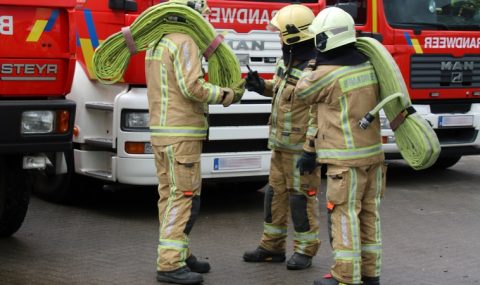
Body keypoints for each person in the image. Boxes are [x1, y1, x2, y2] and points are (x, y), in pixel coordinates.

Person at [145, 0, 238, 284]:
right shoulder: (185, 41)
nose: (207, 22)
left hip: (162, 133)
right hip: (182, 133)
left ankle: (181, 253)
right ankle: (171, 264)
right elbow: (192, 87)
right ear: (192, 15)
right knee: (184, 197)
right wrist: (226, 94)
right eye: (205, 16)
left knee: (168, 196)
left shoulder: (156, 42)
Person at [295, 7, 387, 285]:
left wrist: (313, 61)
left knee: (344, 215)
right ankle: (370, 273)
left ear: (324, 40)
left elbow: (302, 92)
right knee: (369, 215)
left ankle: (345, 275)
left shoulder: (325, 73)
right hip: (373, 157)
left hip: (344, 162)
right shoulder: (368, 64)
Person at [242, 4, 322, 270]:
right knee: (274, 195)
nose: (277, 38)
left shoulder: (314, 69)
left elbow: (317, 115)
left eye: (280, 33)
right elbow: (280, 92)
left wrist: (311, 151)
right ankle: (272, 247)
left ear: (293, 36)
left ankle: (305, 250)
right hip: (279, 147)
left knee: (301, 199)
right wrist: (261, 86)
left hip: (301, 151)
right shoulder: (286, 62)